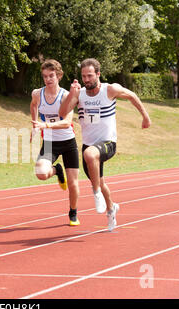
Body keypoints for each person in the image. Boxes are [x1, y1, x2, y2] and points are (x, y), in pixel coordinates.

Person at [59, 58, 151, 231]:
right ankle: (111, 208)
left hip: (108, 143)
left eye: (90, 76)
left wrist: (145, 116)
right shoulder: (80, 94)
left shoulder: (110, 90)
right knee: (100, 181)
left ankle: (95, 194)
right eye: (83, 76)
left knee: (90, 155)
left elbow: (132, 95)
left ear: (98, 74)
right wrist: (72, 94)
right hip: (89, 144)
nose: (86, 79)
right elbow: (62, 113)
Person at [30, 59, 81, 226]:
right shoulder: (37, 94)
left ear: (59, 76)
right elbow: (33, 106)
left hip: (68, 142)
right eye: (45, 76)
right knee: (41, 173)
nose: (48, 79)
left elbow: (67, 122)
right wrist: (34, 124)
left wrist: (45, 124)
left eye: (51, 76)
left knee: (73, 184)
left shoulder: (66, 96)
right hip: (50, 143)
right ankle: (57, 169)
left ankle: (73, 212)